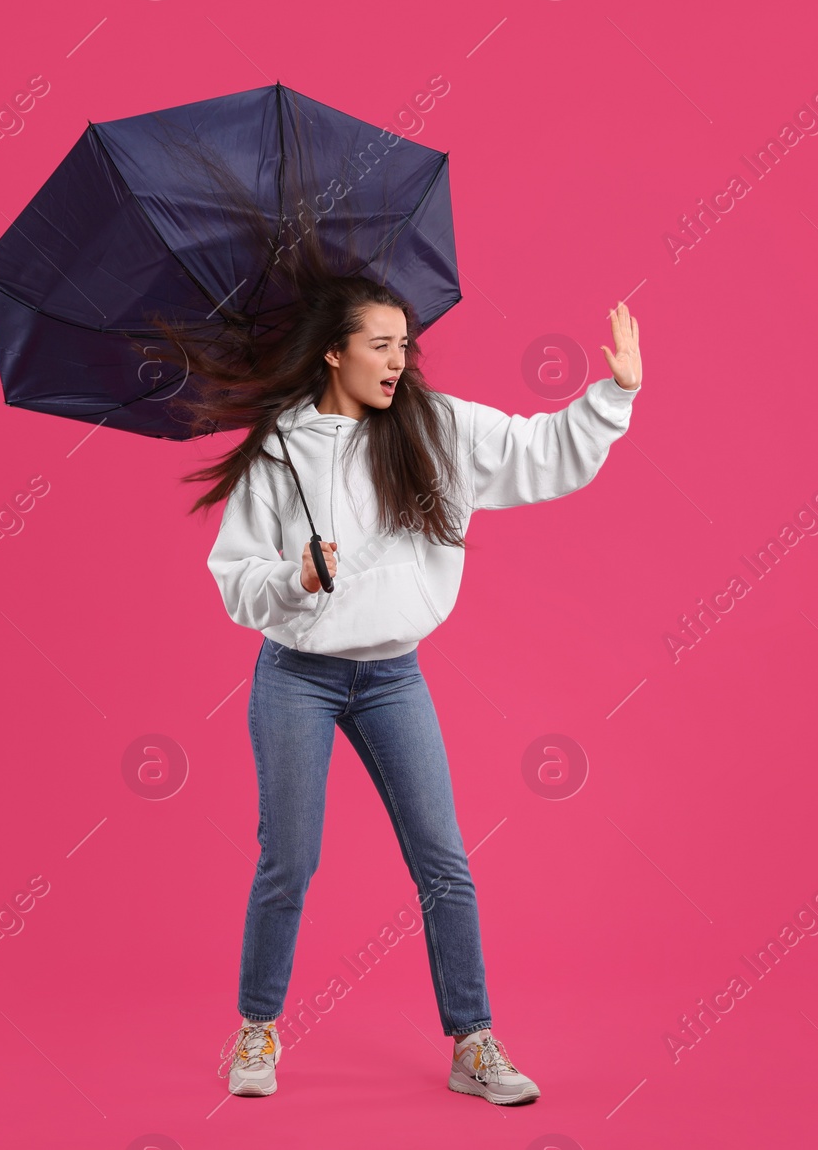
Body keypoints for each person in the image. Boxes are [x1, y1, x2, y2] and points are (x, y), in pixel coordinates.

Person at [188, 274, 644, 1103]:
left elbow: (538, 453)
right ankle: (256, 1033)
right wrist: (293, 578)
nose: (398, 361)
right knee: (289, 858)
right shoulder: (279, 448)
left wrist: (614, 394)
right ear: (334, 351)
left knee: (444, 863)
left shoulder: (436, 428)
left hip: (393, 674)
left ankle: (474, 1045)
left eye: (405, 344)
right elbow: (233, 578)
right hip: (297, 675)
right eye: (380, 345)